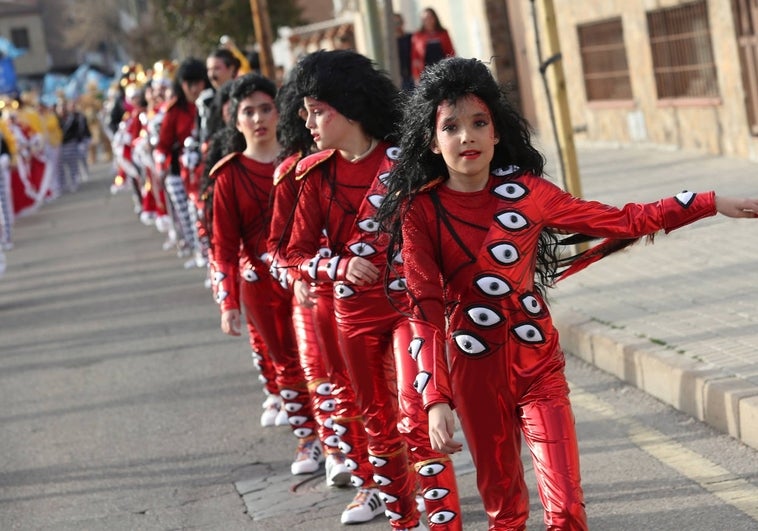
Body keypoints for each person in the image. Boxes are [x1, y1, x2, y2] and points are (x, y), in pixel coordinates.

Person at [375, 56, 758, 530]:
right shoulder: (420, 211)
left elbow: (623, 221)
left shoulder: (530, 193)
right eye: (450, 127)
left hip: (540, 368)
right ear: (433, 142)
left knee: (567, 509)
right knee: (506, 511)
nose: (467, 137)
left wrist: (709, 202)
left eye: (479, 123)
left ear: (497, 132)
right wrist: (436, 397)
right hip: (475, 374)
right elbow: (424, 306)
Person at [287, 49, 462, 531]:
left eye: (318, 111)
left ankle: (444, 523)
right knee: (376, 423)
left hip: (410, 306)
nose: (309, 123)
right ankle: (403, 522)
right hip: (352, 315)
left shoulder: (407, 161)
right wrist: (340, 265)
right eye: (306, 112)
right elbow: (293, 254)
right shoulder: (315, 175)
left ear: (349, 107)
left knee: (416, 409)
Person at [207, 73, 321, 477]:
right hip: (260, 284)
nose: (258, 118)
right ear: (235, 120)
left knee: (323, 360)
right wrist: (228, 303)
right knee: (286, 362)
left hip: (309, 277)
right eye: (248, 111)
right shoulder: (228, 176)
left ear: (280, 111)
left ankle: (344, 442)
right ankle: (308, 439)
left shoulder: (303, 159)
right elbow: (221, 245)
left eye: (265, 108)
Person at [154, 57, 207, 258]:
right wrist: (161, 165)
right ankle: (196, 252)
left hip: (206, 170)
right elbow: (163, 144)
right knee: (187, 218)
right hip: (179, 172)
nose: (194, 88)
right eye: (189, 84)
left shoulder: (210, 103)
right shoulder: (175, 110)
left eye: (198, 83)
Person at [410, 7, 455, 86]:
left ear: (435, 18)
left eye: (430, 17)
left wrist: (452, 69)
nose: (428, 21)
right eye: (425, 19)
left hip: (444, 71)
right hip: (426, 74)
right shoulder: (417, 36)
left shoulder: (444, 33)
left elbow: (451, 52)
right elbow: (415, 59)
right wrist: (416, 77)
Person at [394, 13, 414, 91]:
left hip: (414, 76)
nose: (397, 26)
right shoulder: (390, 44)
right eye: (394, 24)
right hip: (400, 79)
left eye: (399, 23)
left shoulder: (411, 37)